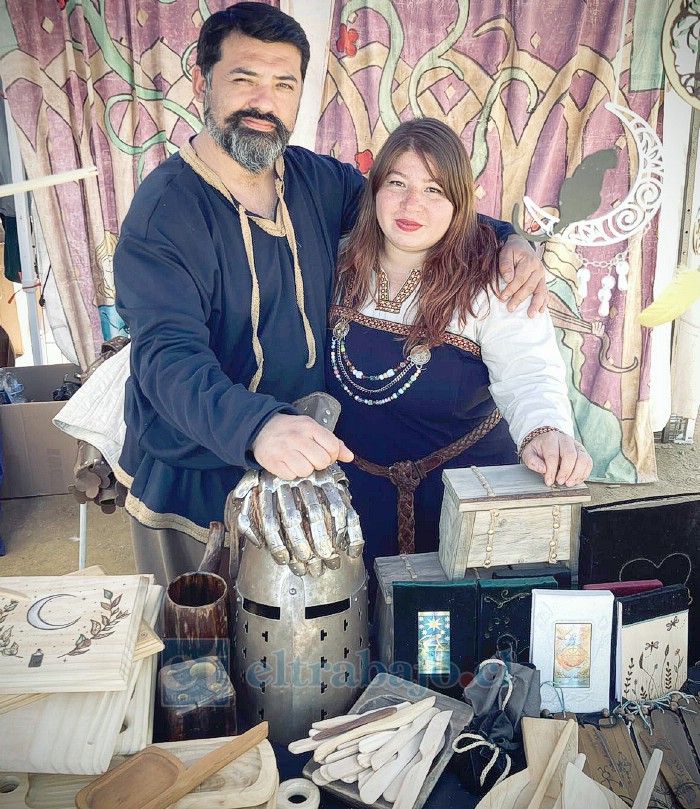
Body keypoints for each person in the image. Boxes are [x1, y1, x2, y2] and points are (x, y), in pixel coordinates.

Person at [114, 3, 550, 586]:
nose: (263, 102)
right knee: (205, 656)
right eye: (244, 79)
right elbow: (165, 357)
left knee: (301, 645)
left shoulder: (318, 181)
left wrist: (510, 238)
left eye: (283, 84)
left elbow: (414, 209)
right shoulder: (166, 211)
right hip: (199, 475)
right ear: (203, 83)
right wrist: (256, 428)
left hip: (306, 466)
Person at [326, 118, 593, 567]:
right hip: (356, 496)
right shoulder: (338, 260)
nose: (413, 204)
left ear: (459, 200)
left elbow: (529, 372)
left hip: (462, 497)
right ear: (374, 190)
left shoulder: (495, 276)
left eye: (434, 190)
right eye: (397, 183)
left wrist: (545, 430)